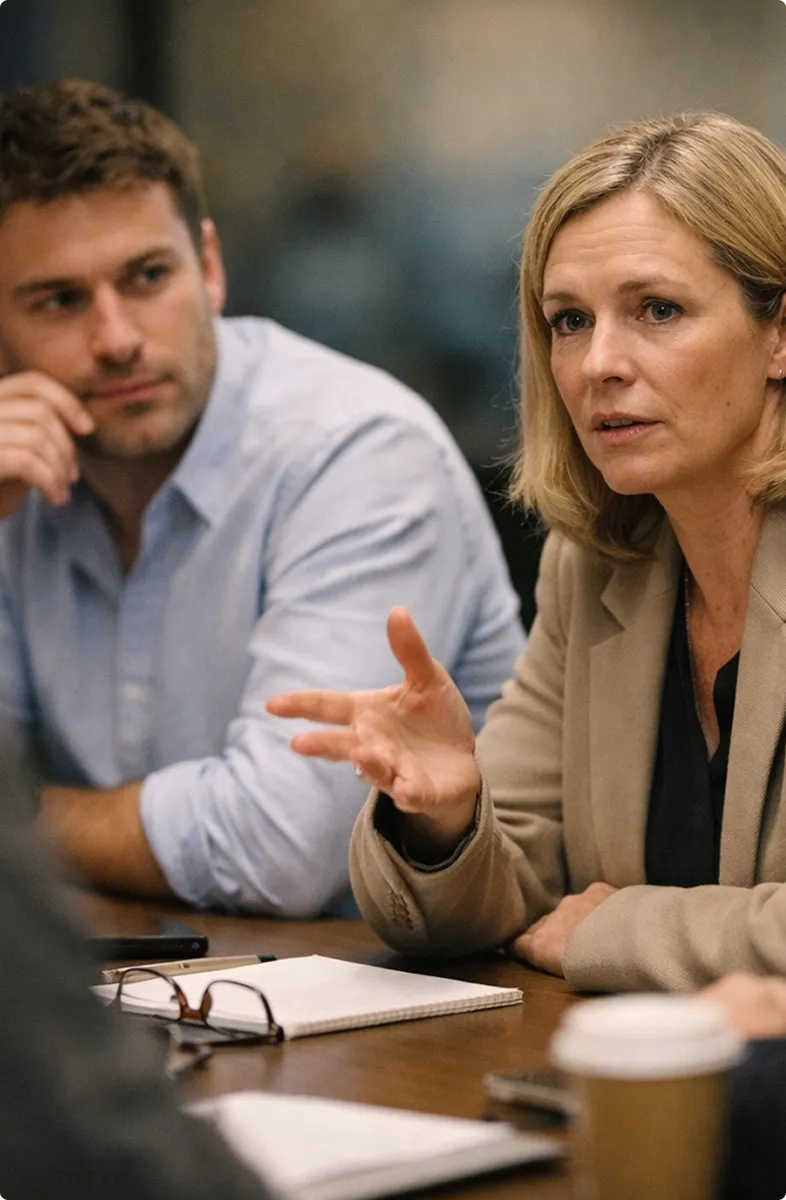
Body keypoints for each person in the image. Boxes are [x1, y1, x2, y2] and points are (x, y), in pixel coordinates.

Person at [268, 111, 786, 989]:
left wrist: (619, 928)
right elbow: (489, 898)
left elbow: (577, 925)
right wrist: (441, 818)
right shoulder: (596, 566)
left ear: (778, 334)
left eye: (657, 310)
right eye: (569, 320)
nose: (598, 365)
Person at [0, 79, 524, 916]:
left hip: (412, 1014)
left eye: (146, 277)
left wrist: (18, 819)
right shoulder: (13, 471)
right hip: (151, 993)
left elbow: (280, 850)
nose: (117, 339)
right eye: (60, 300)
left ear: (208, 267)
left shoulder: (355, 450)